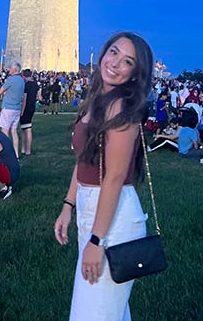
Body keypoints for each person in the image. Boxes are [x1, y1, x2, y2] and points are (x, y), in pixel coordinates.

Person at [54, 31, 153, 321]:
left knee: (91, 315)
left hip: (114, 219)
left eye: (127, 62)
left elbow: (114, 176)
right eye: (113, 52)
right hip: (92, 207)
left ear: (135, 74)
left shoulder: (122, 107)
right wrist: (67, 206)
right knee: (109, 313)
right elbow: (84, 160)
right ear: (103, 53)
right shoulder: (97, 99)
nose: (115, 63)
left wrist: (96, 241)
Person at [0, 63, 25, 157]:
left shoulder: (11, 79)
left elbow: (0, 91)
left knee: (5, 131)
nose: (9, 69)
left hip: (8, 107)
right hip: (17, 108)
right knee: (14, 131)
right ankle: (16, 154)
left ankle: (6, 153)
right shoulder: (22, 80)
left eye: (11, 68)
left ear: (15, 70)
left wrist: (5, 93)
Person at [20, 69, 40, 156]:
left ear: (24, 76)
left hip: (26, 108)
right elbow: (39, 97)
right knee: (24, 128)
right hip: (32, 107)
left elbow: (24, 99)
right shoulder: (36, 85)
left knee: (27, 129)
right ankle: (24, 149)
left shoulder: (26, 85)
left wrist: (22, 111)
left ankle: (27, 150)